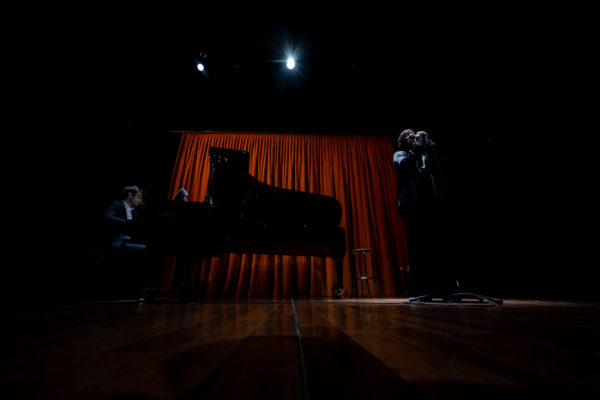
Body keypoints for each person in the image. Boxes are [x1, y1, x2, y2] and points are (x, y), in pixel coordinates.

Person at [393, 129, 454, 298]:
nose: (412, 136)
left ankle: (442, 288)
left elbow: (440, 167)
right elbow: (403, 166)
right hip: (411, 206)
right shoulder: (400, 154)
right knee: (417, 246)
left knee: (435, 246)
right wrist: (417, 147)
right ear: (401, 141)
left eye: (413, 134)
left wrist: (429, 143)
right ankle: (420, 290)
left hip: (430, 205)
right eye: (407, 135)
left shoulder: (426, 154)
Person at [103, 185, 147, 252]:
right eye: (138, 197)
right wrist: (127, 223)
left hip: (129, 241)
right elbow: (107, 217)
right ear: (130, 195)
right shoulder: (115, 204)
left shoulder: (135, 213)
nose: (140, 201)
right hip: (117, 241)